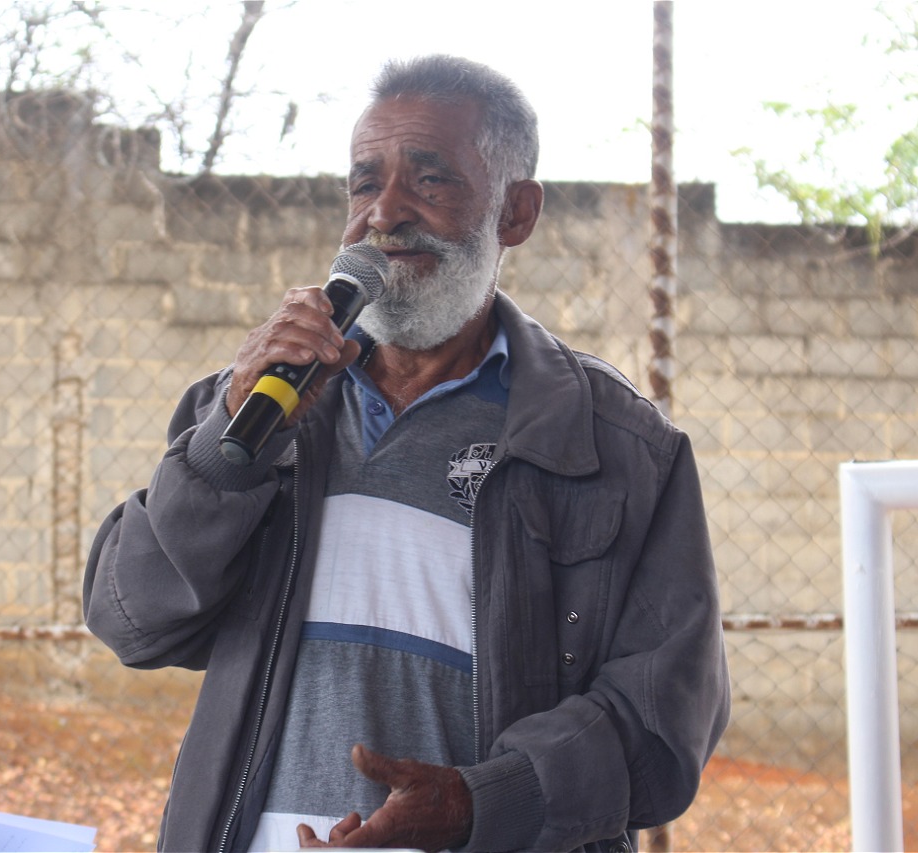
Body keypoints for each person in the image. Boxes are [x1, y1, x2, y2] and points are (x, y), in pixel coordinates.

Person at [83, 54, 730, 853]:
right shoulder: (254, 408)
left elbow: (665, 721)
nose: (384, 214)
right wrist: (225, 452)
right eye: (364, 184)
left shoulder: (619, 446)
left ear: (516, 212)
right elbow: (132, 620)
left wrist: (480, 803)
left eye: (429, 181)